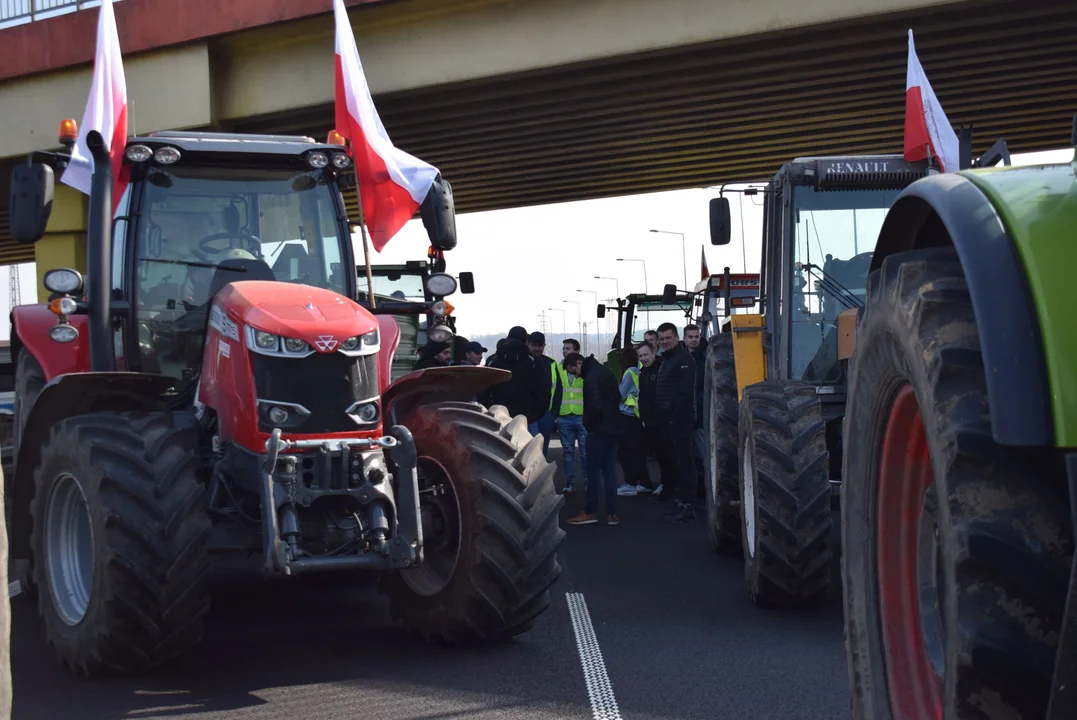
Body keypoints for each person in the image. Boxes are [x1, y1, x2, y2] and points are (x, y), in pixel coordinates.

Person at [565, 353, 624, 526]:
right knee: (610, 472)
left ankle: (590, 511)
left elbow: (595, 406)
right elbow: (617, 398)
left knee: (592, 472)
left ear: (578, 362)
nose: (575, 375)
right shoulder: (605, 371)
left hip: (598, 431)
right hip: (613, 429)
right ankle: (612, 513)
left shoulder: (590, 378)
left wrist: (587, 423)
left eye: (574, 371)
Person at [654, 323, 698, 522]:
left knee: (685, 463)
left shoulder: (684, 360)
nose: (664, 342)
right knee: (676, 463)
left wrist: (673, 417)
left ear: (677, 337)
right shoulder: (667, 359)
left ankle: (688, 505)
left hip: (680, 421)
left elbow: (685, 393)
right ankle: (681, 501)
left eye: (668, 338)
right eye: (661, 339)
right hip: (668, 421)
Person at [480, 327, 547, 425]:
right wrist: (533, 416)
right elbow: (543, 392)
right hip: (526, 418)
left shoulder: (492, 360)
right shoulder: (534, 361)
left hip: (497, 416)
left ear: (507, 338)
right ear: (526, 341)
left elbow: (483, 390)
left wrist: (490, 410)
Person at [615, 345, 652, 496]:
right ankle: (644, 482)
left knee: (625, 453)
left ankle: (630, 483)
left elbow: (620, 395)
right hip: (637, 417)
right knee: (637, 453)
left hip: (628, 416)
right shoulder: (638, 372)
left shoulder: (629, 373)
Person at [637, 342, 672, 499]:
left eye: (645, 355)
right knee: (659, 454)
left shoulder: (662, 369)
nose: (643, 358)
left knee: (667, 454)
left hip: (663, 420)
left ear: (653, 353)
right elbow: (643, 398)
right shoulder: (643, 373)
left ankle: (668, 484)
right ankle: (665, 483)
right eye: (640, 356)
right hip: (650, 421)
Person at [557, 338, 587, 493]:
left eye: (567, 348)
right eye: (563, 348)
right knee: (567, 452)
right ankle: (570, 483)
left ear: (576, 351)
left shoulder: (585, 368)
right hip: (563, 416)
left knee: (585, 452)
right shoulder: (558, 367)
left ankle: (588, 481)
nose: (564, 351)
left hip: (582, 416)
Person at [527, 331, 562, 456]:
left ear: (544, 346)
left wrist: (553, 413)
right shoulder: (523, 361)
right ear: (528, 344)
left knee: (543, 451)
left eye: (540, 345)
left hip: (546, 414)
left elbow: (558, 388)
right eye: (534, 345)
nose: (537, 349)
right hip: (528, 414)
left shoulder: (551, 363)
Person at [684, 324, 707, 500]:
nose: (694, 339)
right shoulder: (681, 358)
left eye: (696, 336)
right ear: (685, 338)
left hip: (700, 413)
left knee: (701, 454)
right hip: (683, 415)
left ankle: (703, 491)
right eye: (690, 336)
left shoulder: (706, 358)